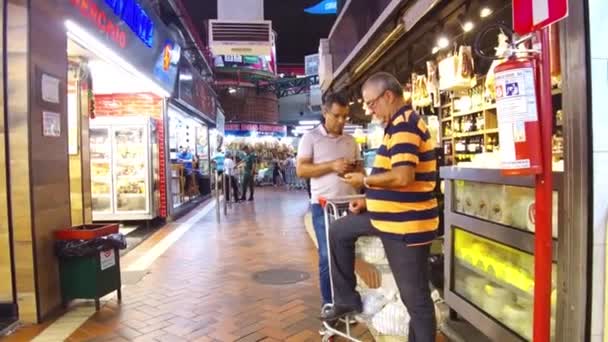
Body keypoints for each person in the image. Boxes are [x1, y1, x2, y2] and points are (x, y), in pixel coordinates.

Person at [322, 72, 438, 342]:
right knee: (339, 231)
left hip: (405, 224)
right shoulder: (396, 125)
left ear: (388, 96)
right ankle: (347, 298)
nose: (370, 111)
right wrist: (367, 199)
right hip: (387, 217)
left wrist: (364, 180)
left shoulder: (405, 126)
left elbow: (402, 176)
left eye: (372, 104)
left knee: (416, 299)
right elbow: (395, 178)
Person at [296, 92, 361, 330]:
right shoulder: (310, 138)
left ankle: (347, 302)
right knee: (326, 256)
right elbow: (301, 170)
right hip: (323, 206)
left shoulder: (350, 141)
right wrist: (331, 166)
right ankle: (329, 304)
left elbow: (360, 170)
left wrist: (356, 175)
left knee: (347, 256)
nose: (342, 121)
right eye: (337, 116)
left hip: (350, 205)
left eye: (345, 116)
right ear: (325, 113)